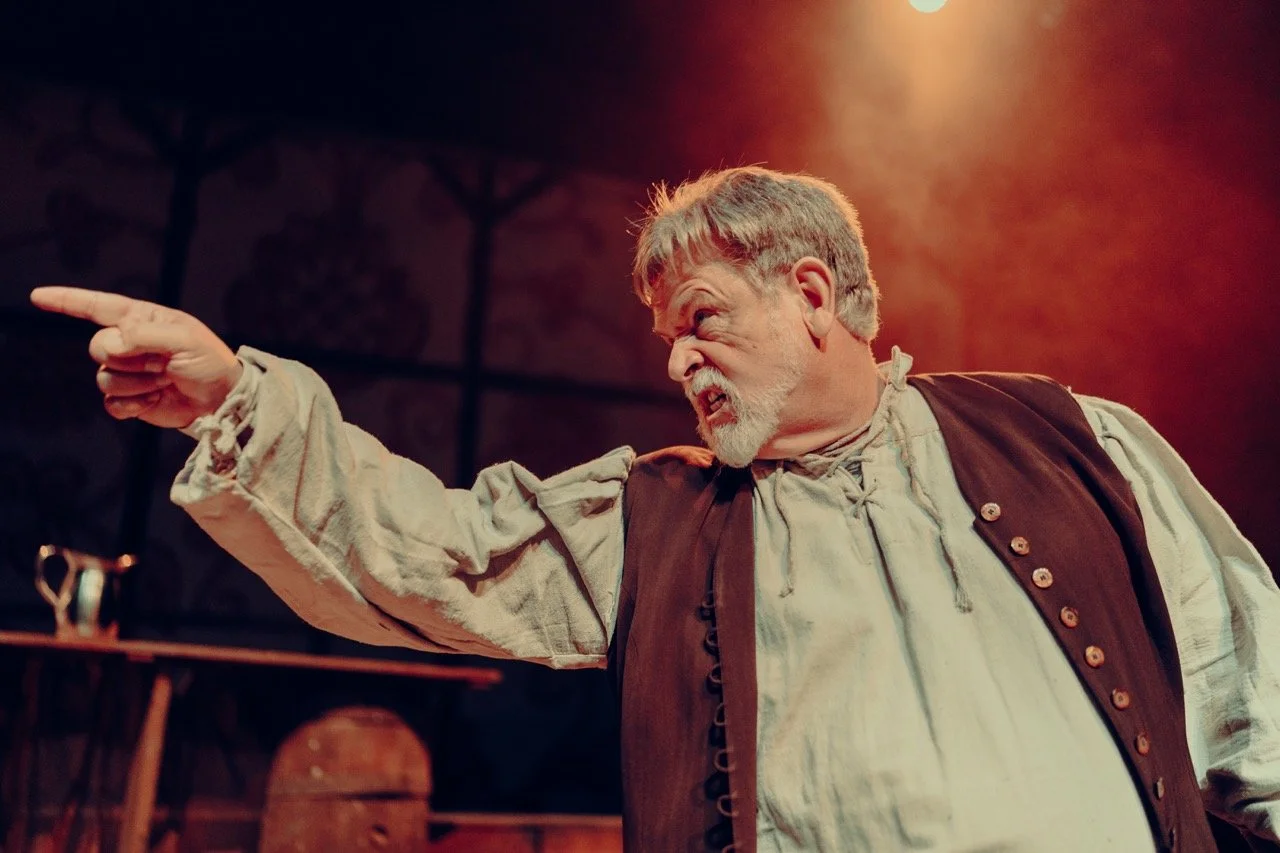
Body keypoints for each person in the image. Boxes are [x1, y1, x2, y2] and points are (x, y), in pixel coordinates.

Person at [31, 167, 1280, 853]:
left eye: (700, 320)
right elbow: (432, 552)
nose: (677, 362)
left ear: (810, 294)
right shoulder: (661, 517)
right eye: (663, 338)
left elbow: (1255, 693)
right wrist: (231, 402)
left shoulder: (1066, 438)